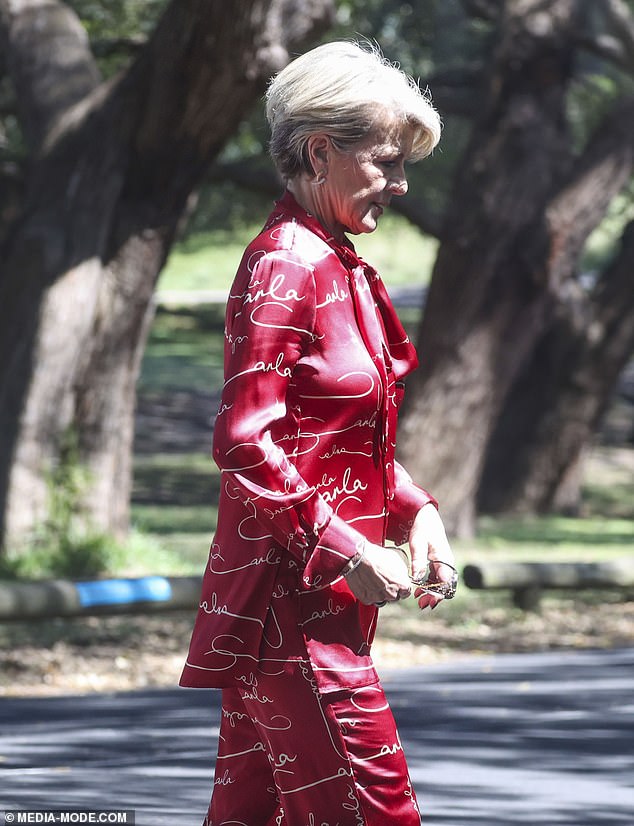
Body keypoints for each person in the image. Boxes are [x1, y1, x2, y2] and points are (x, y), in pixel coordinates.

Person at [180, 40, 456, 825]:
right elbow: (245, 440)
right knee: (379, 813)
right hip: (291, 615)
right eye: (388, 162)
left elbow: (339, 437)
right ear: (319, 150)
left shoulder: (338, 262)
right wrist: (347, 550)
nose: (401, 186)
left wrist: (416, 513)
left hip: (313, 611)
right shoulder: (286, 265)